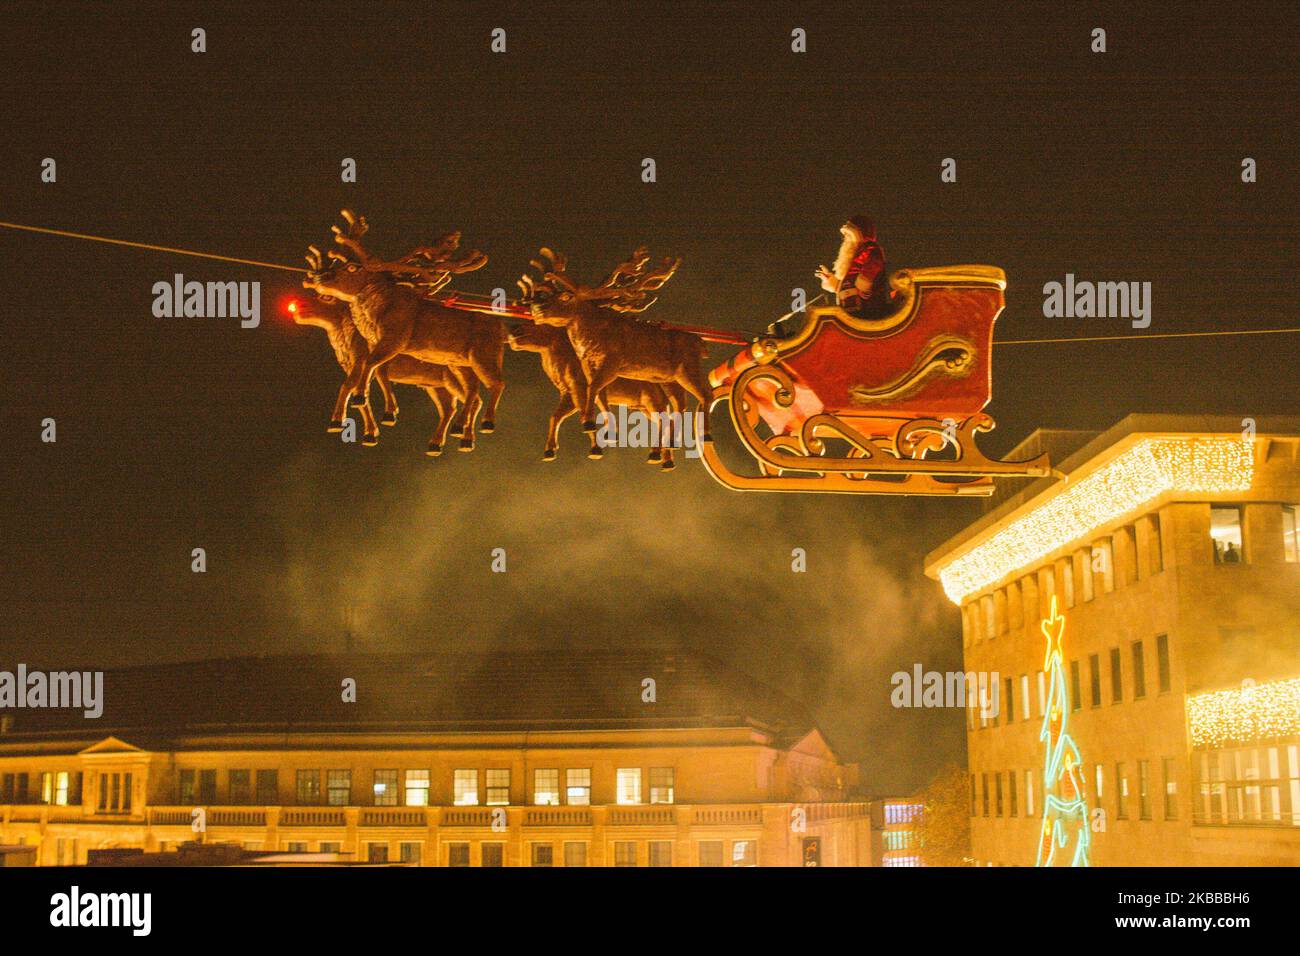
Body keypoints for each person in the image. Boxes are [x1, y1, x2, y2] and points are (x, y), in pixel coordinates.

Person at [816, 214, 892, 318]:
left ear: (859, 233)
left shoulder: (870, 249)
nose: (846, 238)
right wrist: (833, 282)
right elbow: (850, 283)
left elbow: (868, 276)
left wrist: (861, 284)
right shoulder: (854, 254)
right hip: (852, 311)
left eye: (849, 234)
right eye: (845, 234)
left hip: (868, 310)